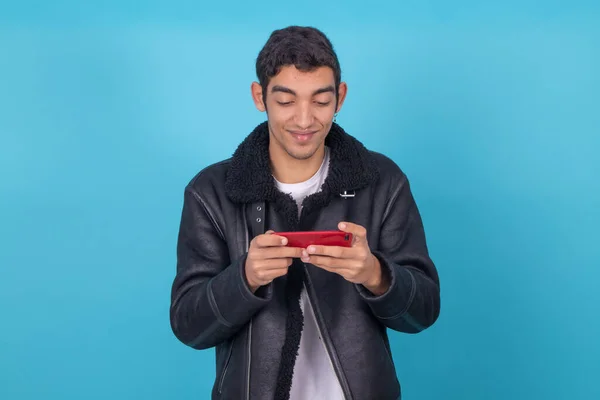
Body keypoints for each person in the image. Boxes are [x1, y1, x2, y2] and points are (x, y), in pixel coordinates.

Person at [170, 25, 441, 400]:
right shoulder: (210, 192)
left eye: (320, 100)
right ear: (259, 96)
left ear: (340, 97)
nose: (303, 120)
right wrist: (244, 278)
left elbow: (423, 312)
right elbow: (189, 326)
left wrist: (375, 274)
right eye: (285, 101)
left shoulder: (383, 182)